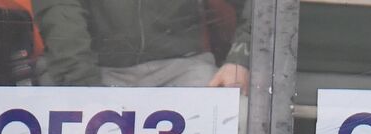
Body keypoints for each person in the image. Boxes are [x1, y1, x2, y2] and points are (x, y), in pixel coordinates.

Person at [31, 0, 251, 91]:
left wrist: (240, 58)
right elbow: (59, 13)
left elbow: (267, 7)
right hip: (97, 71)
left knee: (240, 133)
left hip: (184, 69)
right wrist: (82, 87)